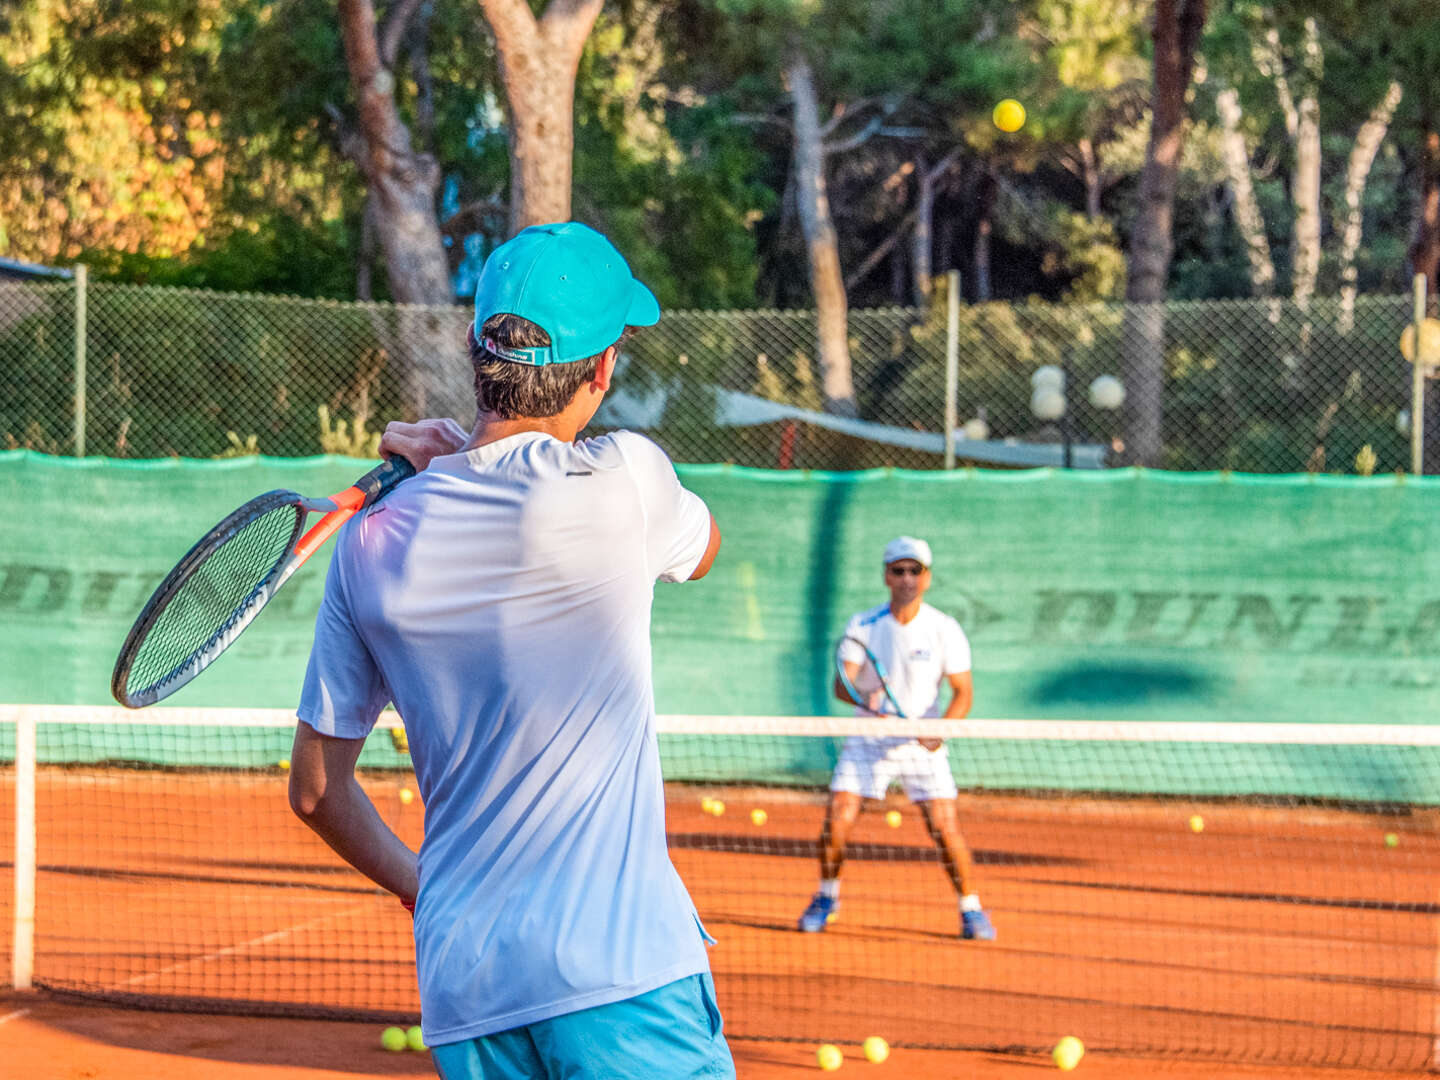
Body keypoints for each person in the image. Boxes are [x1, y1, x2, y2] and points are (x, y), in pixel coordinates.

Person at [287, 222, 733, 1080]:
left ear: (473, 346)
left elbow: (316, 791)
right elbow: (704, 550)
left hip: (467, 990)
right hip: (623, 975)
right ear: (602, 370)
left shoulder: (370, 541)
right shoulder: (629, 481)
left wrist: (429, 889)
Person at [796, 536, 996, 941]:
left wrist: (939, 730)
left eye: (915, 570)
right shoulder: (863, 625)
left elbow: (963, 693)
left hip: (922, 745)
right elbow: (842, 685)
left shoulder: (944, 628)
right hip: (868, 739)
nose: (906, 578)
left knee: (944, 828)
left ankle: (971, 908)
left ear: (927, 577)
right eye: (898, 570)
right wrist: (862, 697)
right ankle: (827, 896)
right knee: (838, 820)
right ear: (887, 575)